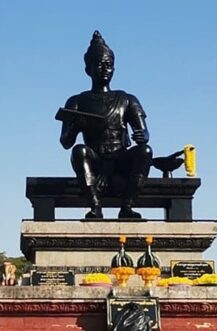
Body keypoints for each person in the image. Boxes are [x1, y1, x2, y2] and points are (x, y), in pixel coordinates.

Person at [58, 31, 153, 219]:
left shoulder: (127, 99)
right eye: (100, 65)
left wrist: (142, 136)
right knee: (79, 151)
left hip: (121, 158)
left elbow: (144, 132)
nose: (104, 70)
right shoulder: (77, 101)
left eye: (109, 65)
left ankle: (127, 206)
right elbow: (66, 142)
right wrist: (76, 125)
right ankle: (95, 205)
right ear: (88, 69)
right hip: (95, 159)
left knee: (146, 151)